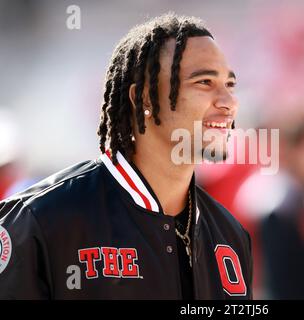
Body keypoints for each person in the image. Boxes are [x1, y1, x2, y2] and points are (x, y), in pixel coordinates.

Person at [0, 13, 253, 299]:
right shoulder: (38, 219)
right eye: (204, 82)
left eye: (230, 85)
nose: (228, 102)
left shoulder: (230, 234)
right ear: (143, 97)